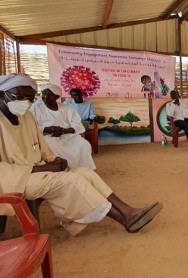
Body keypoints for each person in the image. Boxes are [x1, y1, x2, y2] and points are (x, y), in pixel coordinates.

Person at [0, 73, 163, 236]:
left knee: (86, 173)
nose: (26, 103)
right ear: (2, 94)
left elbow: (42, 146)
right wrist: (45, 167)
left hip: (39, 170)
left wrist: (54, 159)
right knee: (72, 180)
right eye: (20, 96)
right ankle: (126, 219)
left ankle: (128, 210)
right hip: (15, 180)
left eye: (29, 99)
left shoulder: (27, 116)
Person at [30, 83, 96, 170]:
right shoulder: (34, 108)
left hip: (67, 134)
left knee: (84, 144)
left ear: (57, 96)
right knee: (51, 145)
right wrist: (46, 129)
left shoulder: (66, 108)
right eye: (44, 93)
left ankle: (82, 169)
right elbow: (30, 126)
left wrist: (64, 131)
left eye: (49, 94)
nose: (45, 96)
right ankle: (61, 169)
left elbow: (78, 125)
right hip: (46, 136)